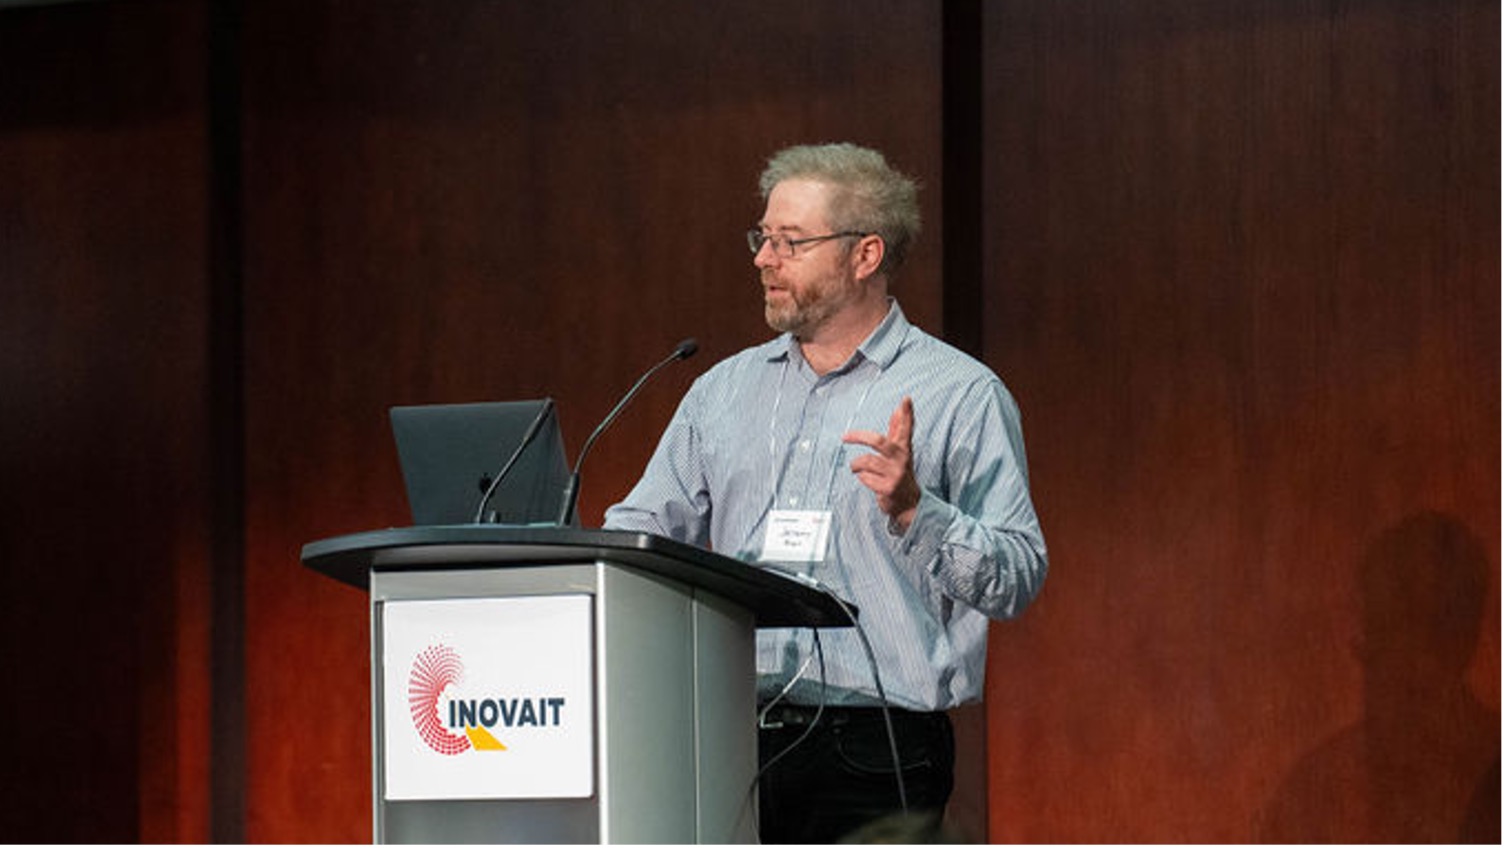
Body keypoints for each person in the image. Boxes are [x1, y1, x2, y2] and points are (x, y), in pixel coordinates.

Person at [603, 142, 1048, 843]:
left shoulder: (961, 393)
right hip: (724, 733)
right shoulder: (720, 392)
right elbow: (641, 532)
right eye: (763, 237)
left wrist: (916, 511)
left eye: (790, 242)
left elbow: (1018, 575)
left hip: (877, 750)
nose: (762, 258)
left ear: (864, 255)